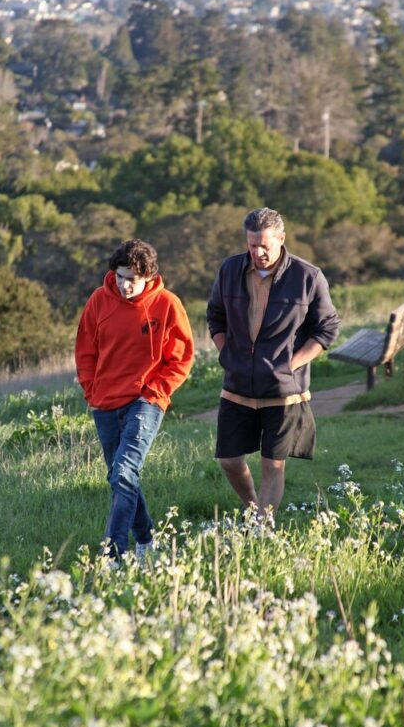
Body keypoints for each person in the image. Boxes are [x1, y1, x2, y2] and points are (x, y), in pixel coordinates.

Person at [206, 207, 339, 517]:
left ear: (281, 238)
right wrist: (227, 353)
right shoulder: (229, 270)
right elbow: (215, 315)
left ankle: (262, 529)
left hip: (284, 390)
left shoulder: (308, 276)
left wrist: (290, 365)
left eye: (265, 245)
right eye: (252, 245)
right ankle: (254, 510)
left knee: (272, 465)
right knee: (228, 460)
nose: (258, 252)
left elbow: (328, 328)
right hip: (237, 386)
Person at [75, 239, 194, 560]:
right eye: (121, 276)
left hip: (146, 400)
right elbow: (85, 351)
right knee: (119, 475)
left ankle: (113, 554)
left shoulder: (167, 304)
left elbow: (181, 358)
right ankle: (147, 541)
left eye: (133, 279)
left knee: (124, 472)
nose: (126, 285)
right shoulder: (98, 301)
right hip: (104, 403)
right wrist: (91, 391)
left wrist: (157, 392)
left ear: (148, 277)